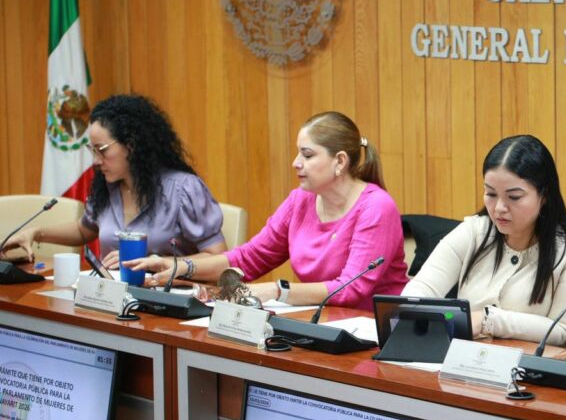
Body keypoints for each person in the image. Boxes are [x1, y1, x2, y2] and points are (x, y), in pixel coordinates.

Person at [126, 111, 407, 310]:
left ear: (340, 161)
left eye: (307, 155)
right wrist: (182, 267)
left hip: (374, 334)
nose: (296, 163)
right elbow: (249, 259)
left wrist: (278, 290)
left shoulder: (376, 207)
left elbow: (350, 288)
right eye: (298, 153)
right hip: (322, 324)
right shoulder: (300, 200)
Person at [403, 135, 566, 345]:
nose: (499, 207)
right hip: (463, 365)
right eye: (491, 194)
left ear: (544, 194)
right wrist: (410, 309)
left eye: (514, 197)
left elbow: (563, 331)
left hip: (530, 372)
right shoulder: (474, 231)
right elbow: (421, 289)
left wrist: (488, 320)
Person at [1, 94, 225, 265]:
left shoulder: (183, 190)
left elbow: (219, 259)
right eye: (92, 150)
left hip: (168, 311)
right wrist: (36, 232)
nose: (96, 161)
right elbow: (84, 231)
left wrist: (158, 264)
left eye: (102, 150)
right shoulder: (106, 186)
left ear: (132, 145)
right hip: (112, 303)